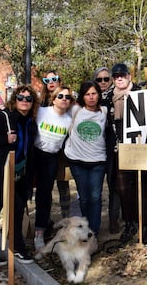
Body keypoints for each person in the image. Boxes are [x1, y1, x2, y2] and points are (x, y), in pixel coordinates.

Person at [0, 85, 39, 264]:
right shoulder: (4, 116)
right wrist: (3, 140)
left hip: (16, 172)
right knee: (16, 206)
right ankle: (18, 248)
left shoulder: (29, 121)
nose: (24, 102)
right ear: (14, 100)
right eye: (21, 98)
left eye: (29, 99)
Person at [111, 63, 147, 245]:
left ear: (129, 76)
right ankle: (129, 224)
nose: (119, 78)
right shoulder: (109, 97)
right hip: (121, 148)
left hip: (142, 146)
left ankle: (146, 226)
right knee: (124, 189)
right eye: (116, 76)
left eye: (122, 75)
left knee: (144, 188)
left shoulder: (141, 93)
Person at [33, 86, 75, 250]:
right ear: (53, 98)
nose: (64, 99)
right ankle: (16, 231)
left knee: (44, 197)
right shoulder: (42, 112)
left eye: (67, 97)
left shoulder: (70, 118)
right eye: (60, 96)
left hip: (51, 158)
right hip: (34, 154)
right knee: (23, 193)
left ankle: (39, 234)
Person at [64, 81, 107, 236]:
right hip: (77, 161)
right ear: (82, 96)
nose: (91, 97)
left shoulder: (105, 111)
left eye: (94, 93)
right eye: (87, 94)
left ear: (99, 94)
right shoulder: (75, 110)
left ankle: (93, 231)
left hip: (98, 162)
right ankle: (84, 229)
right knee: (84, 198)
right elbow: (55, 100)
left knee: (95, 197)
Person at [40, 70, 71, 220]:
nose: (51, 82)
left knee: (63, 186)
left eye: (54, 79)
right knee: (44, 188)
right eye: (47, 81)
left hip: (63, 153)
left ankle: (65, 219)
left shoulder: (68, 98)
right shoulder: (40, 104)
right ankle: (45, 220)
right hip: (45, 153)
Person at [93, 66, 121, 234]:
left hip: (112, 148)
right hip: (94, 150)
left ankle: (113, 219)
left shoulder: (115, 96)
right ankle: (92, 223)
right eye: (99, 79)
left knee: (114, 186)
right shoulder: (90, 97)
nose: (103, 82)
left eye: (106, 79)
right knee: (94, 191)